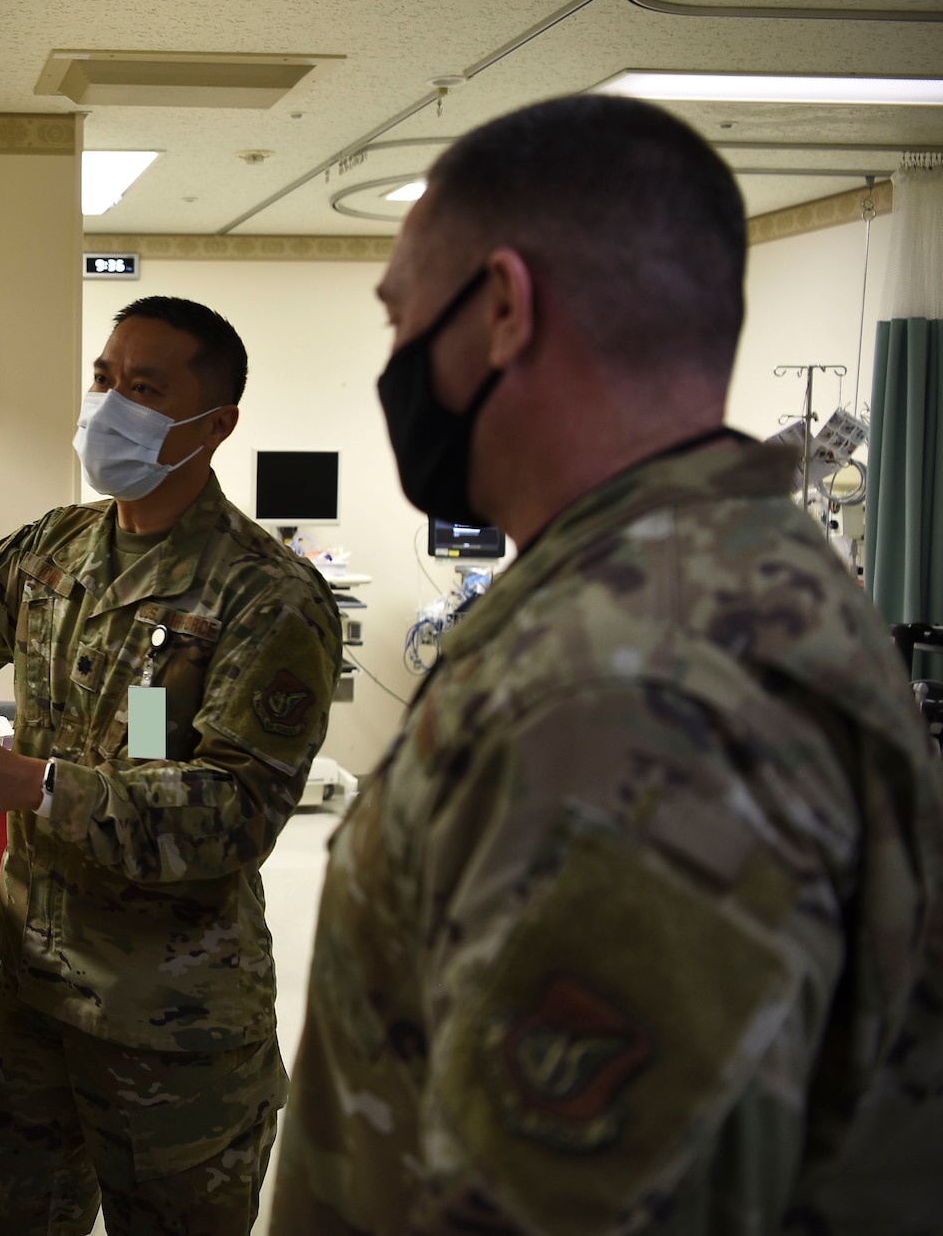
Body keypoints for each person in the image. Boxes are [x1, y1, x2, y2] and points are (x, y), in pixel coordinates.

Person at [271, 95, 943, 1233]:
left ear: (502, 308)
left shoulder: (634, 694)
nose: (395, 362)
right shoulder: (695, 582)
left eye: (400, 318)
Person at [0, 297, 344, 1235]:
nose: (111, 405)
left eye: (145, 388)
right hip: (35, 997)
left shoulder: (268, 595)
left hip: (171, 1025)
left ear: (216, 424)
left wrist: (30, 783)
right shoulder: (56, 547)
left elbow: (234, 813)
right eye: (104, 378)